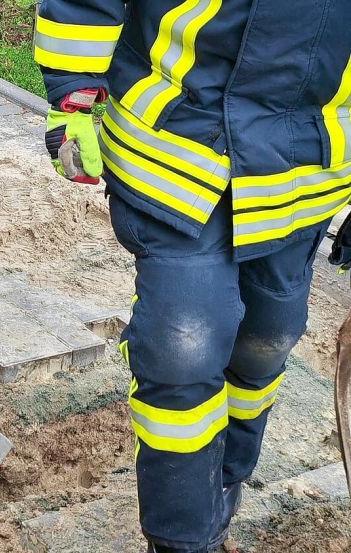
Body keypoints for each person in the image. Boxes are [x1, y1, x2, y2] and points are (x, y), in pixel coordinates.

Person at [35, 1, 351, 551]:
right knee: (181, 353)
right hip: (179, 147)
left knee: (267, 343)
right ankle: (183, 541)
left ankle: (222, 498)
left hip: (303, 168)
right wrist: (74, 91)